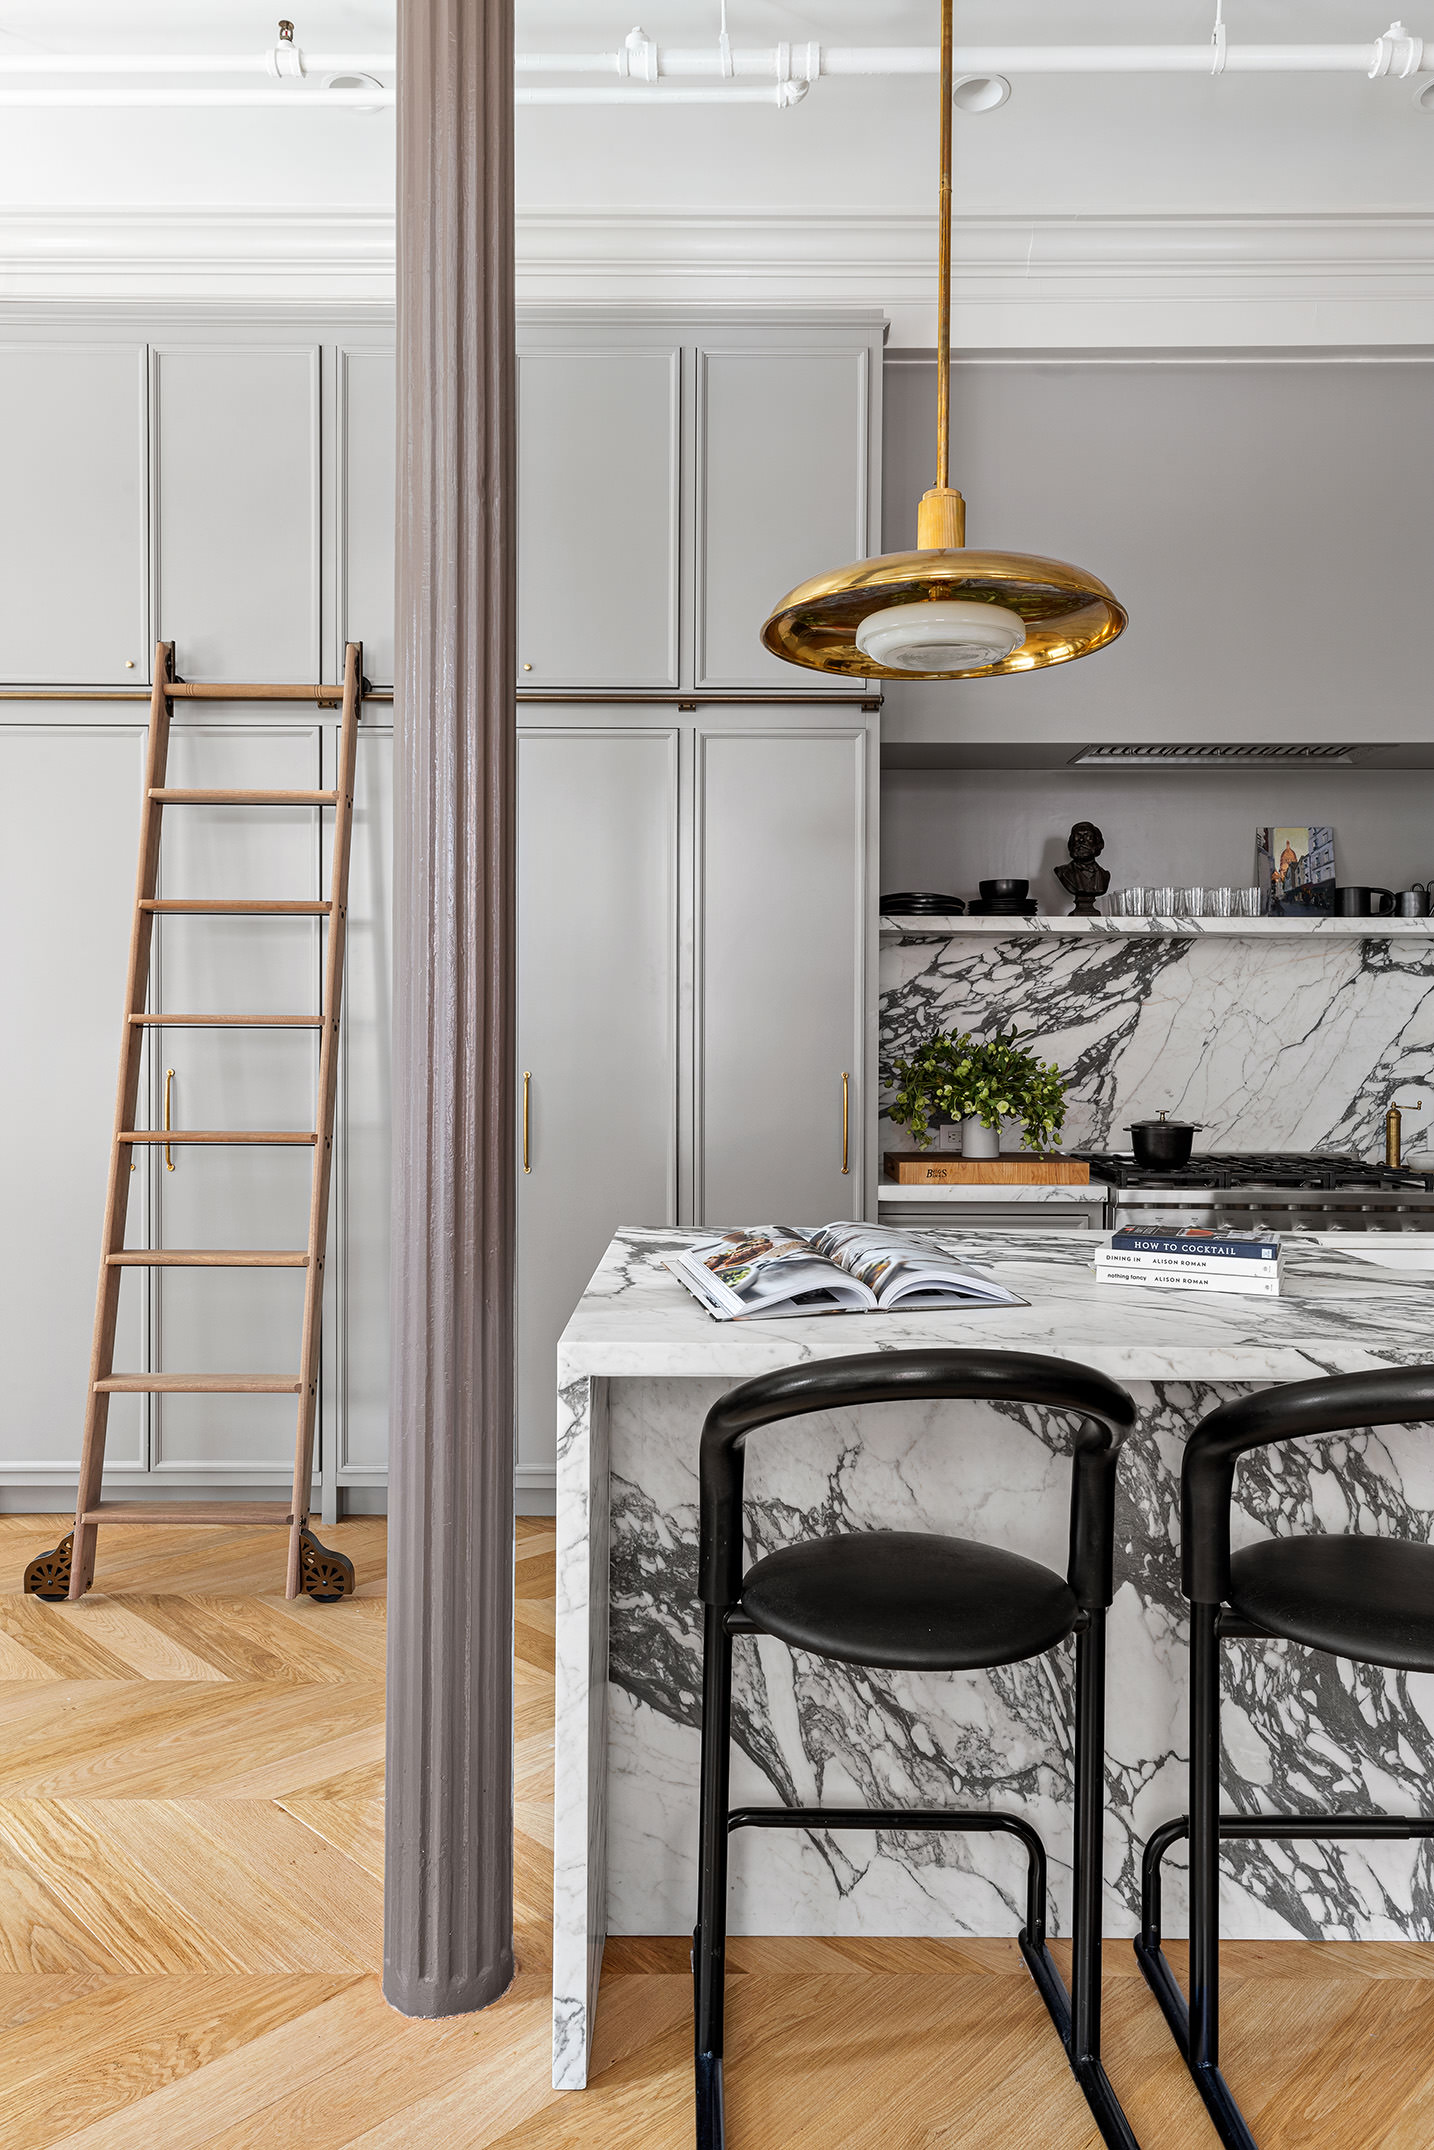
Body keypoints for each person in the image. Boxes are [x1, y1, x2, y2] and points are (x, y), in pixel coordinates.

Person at [1054, 820, 1111, 914]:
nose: (1081, 840)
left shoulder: (1105, 875)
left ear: (1098, 843)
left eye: (1087, 836)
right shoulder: (1062, 872)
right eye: (1077, 836)